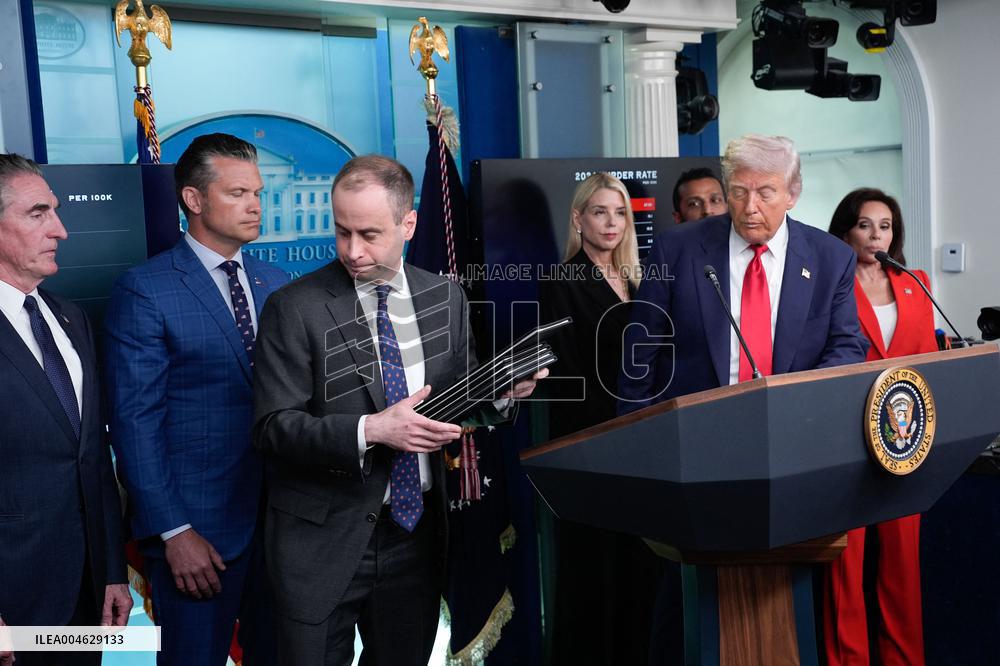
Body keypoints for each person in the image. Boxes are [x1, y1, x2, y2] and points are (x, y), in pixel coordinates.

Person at [252, 154, 545, 665]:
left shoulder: (445, 296)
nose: (352, 250)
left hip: (416, 537)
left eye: (369, 234)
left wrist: (500, 394)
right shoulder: (293, 306)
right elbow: (272, 428)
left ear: (409, 224)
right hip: (321, 542)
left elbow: (456, 403)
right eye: (341, 231)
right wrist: (371, 430)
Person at [619, 135, 869, 663]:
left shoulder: (830, 258)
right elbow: (640, 348)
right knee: (683, 608)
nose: (750, 207)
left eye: (766, 193)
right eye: (738, 192)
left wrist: (801, 409)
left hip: (792, 453)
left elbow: (848, 347)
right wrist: (637, 442)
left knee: (785, 601)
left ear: (793, 193)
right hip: (695, 454)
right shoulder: (679, 248)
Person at [104, 134, 287, 665]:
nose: (255, 205)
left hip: (280, 527)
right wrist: (174, 531)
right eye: (237, 193)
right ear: (194, 200)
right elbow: (134, 422)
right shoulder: (146, 290)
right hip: (196, 535)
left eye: (257, 192)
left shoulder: (275, 282)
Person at [0, 153, 131, 665]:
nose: (61, 229)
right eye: (39, 213)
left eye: (55, 210)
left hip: (86, 598)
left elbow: (92, 458)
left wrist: (113, 570)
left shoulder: (69, 317)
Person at [539, 172, 663, 664]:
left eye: (619, 213)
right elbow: (565, 375)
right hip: (590, 448)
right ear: (578, 218)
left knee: (639, 570)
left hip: (644, 448)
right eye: (599, 212)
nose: (610, 222)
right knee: (593, 575)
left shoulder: (640, 280)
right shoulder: (561, 281)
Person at [824, 188, 935, 666]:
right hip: (847, 442)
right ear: (846, 231)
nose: (876, 234)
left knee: (902, 568)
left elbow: (928, 359)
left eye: (885, 225)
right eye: (865, 225)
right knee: (844, 571)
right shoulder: (830, 284)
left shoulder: (916, 281)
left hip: (905, 443)